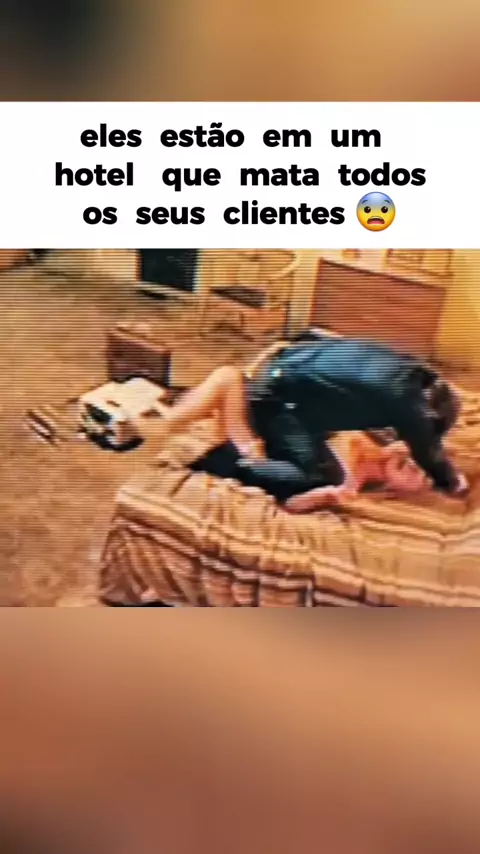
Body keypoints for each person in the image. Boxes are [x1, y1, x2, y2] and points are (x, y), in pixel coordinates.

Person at [140, 332, 467, 511]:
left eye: (419, 476)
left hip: (265, 434)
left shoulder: (348, 483)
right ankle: (180, 415)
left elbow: (295, 503)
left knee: (235, 387)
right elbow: (427, 446)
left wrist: (324, 497)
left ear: (397, 492)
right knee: (239, 385)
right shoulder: (381, 430)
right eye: (417, 460)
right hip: (280, 403)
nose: (416, 465)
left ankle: (188, 423)